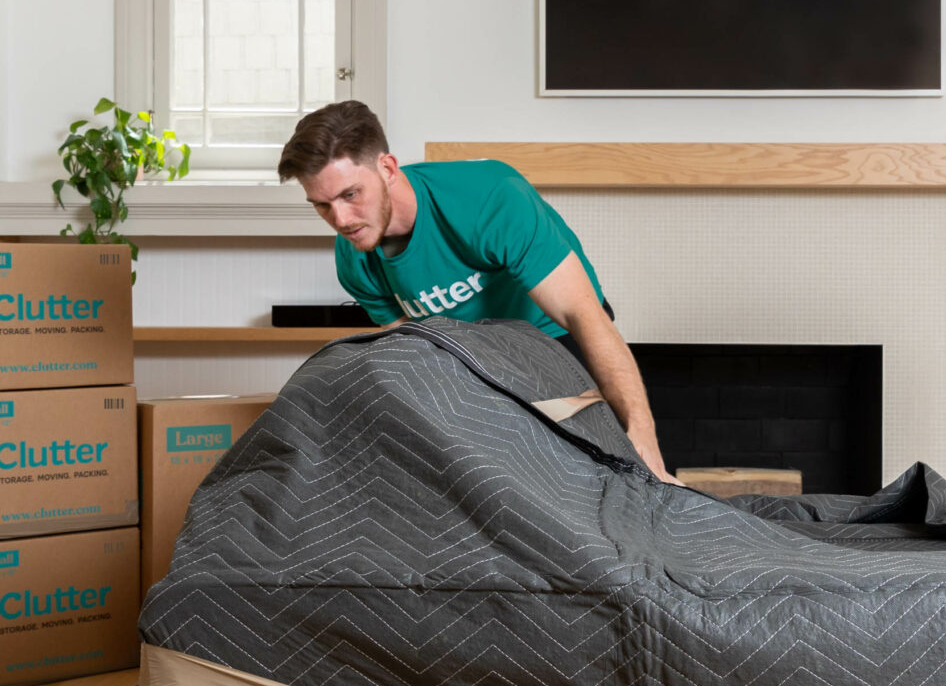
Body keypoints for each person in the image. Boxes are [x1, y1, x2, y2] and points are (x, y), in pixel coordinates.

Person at [279, 101, 680, 483]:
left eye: (351, 195)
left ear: (386, 168)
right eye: (322, 205)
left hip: (554, 336)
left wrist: (642, 436)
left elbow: (583, 314)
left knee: (618, 464)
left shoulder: (490, 197)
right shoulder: (355, 259)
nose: (341, 220)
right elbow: (417, 355)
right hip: (470, 362)